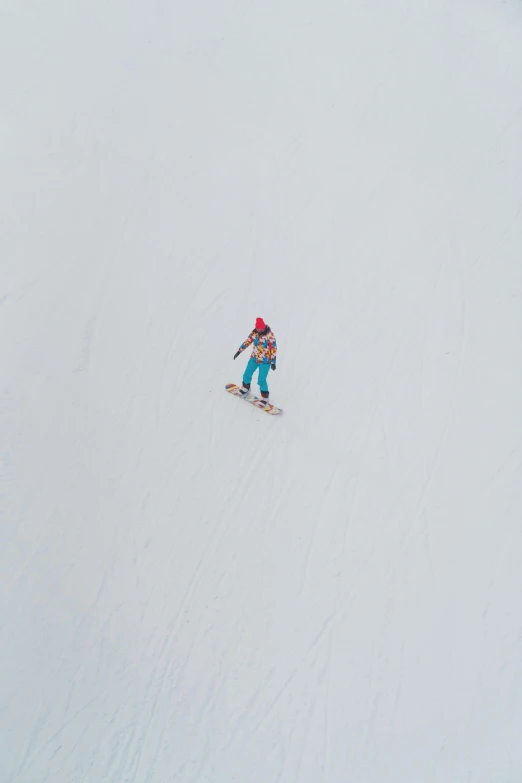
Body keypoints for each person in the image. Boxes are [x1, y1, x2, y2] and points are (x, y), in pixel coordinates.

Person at [234, 318, 277, 399]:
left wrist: (273, 362)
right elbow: (247, 342)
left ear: (264, 327)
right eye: (258, 329)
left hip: (265, 361)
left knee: (261, 380)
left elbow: (273, 349)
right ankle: (245, 388)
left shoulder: (270, 335)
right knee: (247, 374)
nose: (260, 330)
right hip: (254, 358)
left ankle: (265, 397)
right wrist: (239, 351)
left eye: (261, 328)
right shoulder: (254, 333)